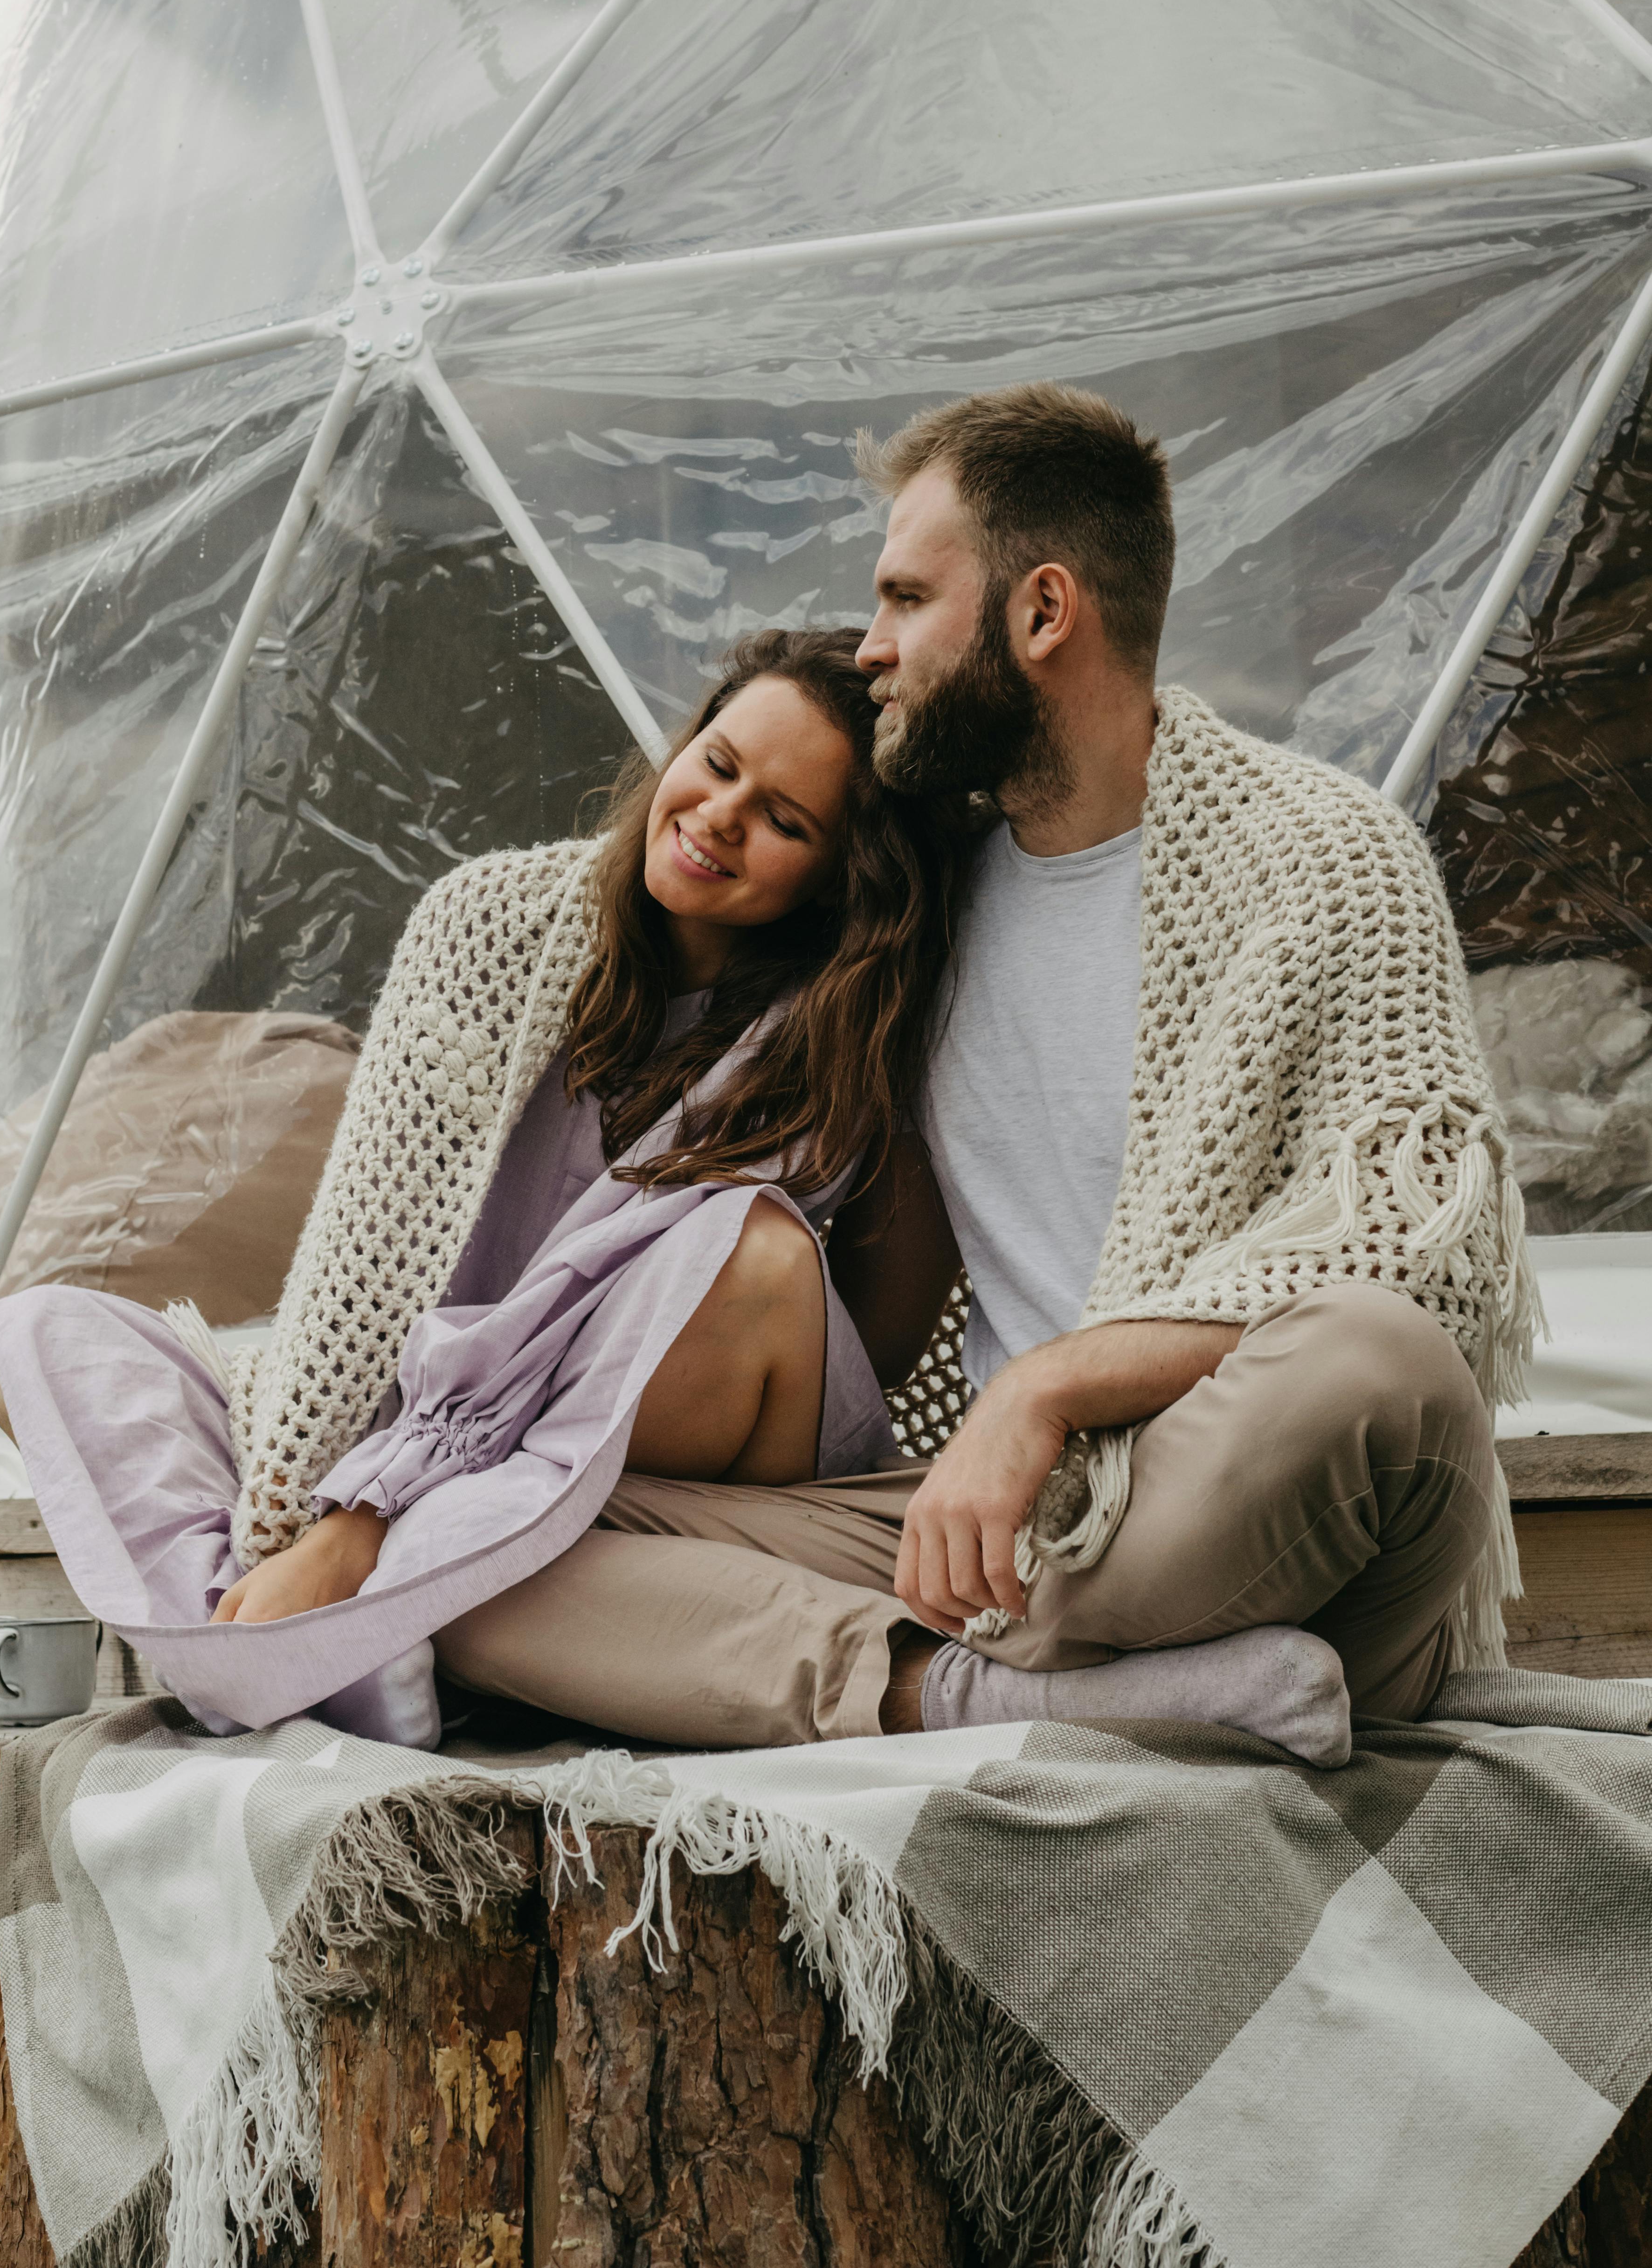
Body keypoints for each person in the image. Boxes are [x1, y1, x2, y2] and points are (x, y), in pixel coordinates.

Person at [413, 382, 1535, 1769]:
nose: (872, 649)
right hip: (988, 1535)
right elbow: (681, 920)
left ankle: (1012, 1666)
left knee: (1382, 1360)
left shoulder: (1321, 860)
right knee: (469, 1554)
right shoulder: (923, 906)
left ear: (1042, 613)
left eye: (904, 600)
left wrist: (1043, 1392)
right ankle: (998, 1702)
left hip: (1217, 1501)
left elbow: (1429, 1260)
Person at [0, 628, 973, 1747]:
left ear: (842, 874)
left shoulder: (847, 1026)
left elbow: (876, 1349)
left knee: (750, 1251)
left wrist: (365, 1521)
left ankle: (357, 1628)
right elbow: (364, 1260)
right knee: (41, 1341)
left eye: (785, 821)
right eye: (719, 760)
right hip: (432, 1427)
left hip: (659, 1449)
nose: (719, 816)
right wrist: (324, 1507)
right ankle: (383, 1618)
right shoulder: (493, 925)